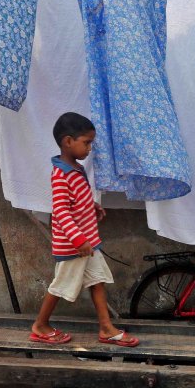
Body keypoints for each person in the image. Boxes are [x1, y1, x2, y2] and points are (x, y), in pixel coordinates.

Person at [29, 112, 139, 347]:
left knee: (97, 281)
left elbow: (75, 201)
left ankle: (106, 328)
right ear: (68, 141)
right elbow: (61, 212)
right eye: (86, 142)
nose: (90, 148)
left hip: (87, 244)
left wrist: (92, 206)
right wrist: (78, 240)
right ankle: (40, 326)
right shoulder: (61, 176)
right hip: (74, 247)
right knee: (59, 286)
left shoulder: (75, 169)